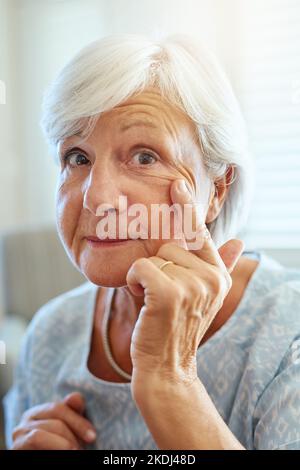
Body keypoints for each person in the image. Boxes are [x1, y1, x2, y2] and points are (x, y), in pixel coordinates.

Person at [3, 33, 300, 450]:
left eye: (144, 156)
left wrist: (170, 380)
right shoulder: (50, 335)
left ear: (217, 189)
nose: (96, 198)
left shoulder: (289, 336)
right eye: (77, 157)